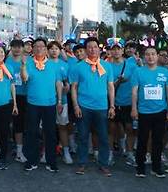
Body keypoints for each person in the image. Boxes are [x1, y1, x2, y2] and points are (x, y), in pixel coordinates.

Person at [70, 37, 115, 176]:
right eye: (89, 47)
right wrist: (76, 105)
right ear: (85, 49)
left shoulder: (107, 66)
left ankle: (104, 164)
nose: (92, 49)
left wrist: (112, 106)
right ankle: (82, 163)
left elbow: (110, 86)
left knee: (103, 137)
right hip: (84, 106)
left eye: (95, 47)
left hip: (102, 107)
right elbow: (74, 88)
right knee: (83, 136)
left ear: (99, 48)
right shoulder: (78, 66)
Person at [21, 38, 64, 172]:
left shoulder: (53, 65)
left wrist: (60, 101)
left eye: (42, 46)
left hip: (50, 103)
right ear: (33, 49)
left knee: (50, 133)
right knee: (32, 132)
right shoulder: (28, 62)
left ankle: (51, 161)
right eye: (36, 46)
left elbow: (58, 83)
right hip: (33, 103)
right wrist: (23, 66)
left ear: (46, 49)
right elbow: (24, 78)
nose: (39, 48)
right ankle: (31, 160)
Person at [131, 46, 168, 178]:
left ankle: (156, 167)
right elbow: (134, 91)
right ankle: (140, 167)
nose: (150, 57)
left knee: (158, 141)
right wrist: (134, 108)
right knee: (142, 140)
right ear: (145, 57)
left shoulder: (165, 72)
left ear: (157, 56)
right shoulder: (138, 72)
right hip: (143, 112)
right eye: (148, 54)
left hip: (160, 111)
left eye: (153, 54)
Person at [106, 37, 137, 166]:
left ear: (123, 50)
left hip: (128, 101)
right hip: (112, 102)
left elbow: (136, 83)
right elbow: (107, 84)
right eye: (114, 49)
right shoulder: (106, 65)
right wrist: (118, 81)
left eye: (118, 49)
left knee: (130, 128)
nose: (116, 51)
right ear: (110, 51)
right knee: (111, 129)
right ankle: (110, 153)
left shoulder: (131, 64)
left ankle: (130, 153)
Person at [48, 41, 73, 165]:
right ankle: (46, 151)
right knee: (47, 128)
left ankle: (66, 152)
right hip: (46, 100)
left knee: (62, 126)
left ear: (60, 50)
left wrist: (67, 86)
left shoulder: (65, 65)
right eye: (51, 48)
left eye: (56, 48)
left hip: (62, 100)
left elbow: (67, 81)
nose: (54, 51)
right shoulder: (44, 64)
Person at [5, 39, 28, 163]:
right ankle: (17, 149)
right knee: (13, 122)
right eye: (14, 47)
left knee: (22, 122)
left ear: (23, 48)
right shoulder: (6, 61)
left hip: (25, 96)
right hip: (9, 96)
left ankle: (21, 148)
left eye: (19, 47)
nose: (17, 49)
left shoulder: (28, 61)